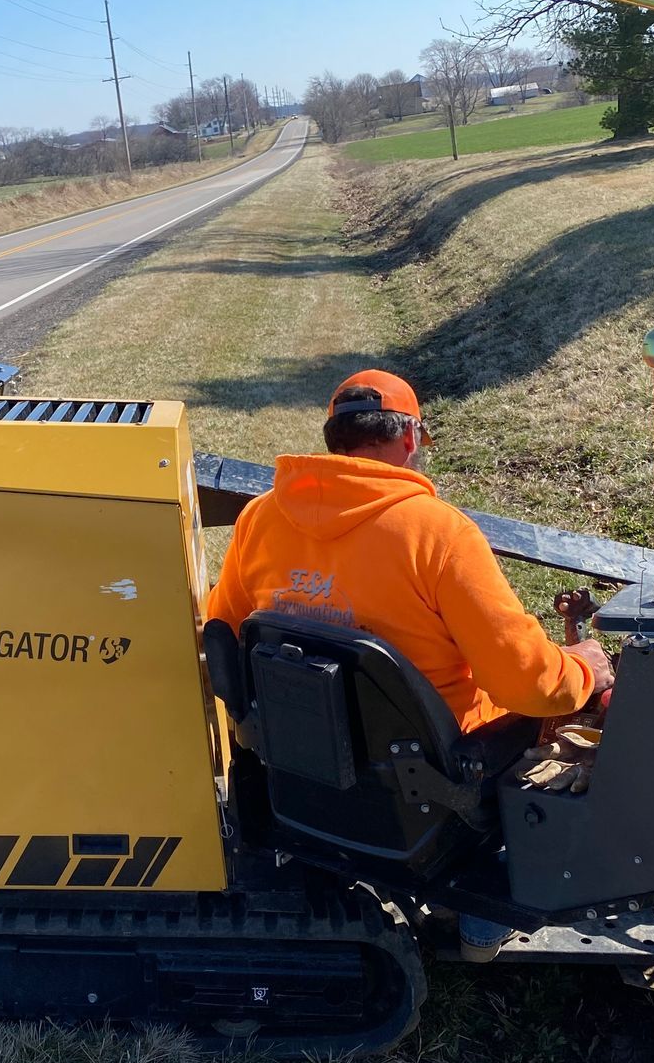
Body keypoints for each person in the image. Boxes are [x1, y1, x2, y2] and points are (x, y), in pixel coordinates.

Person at [204, 368, 615, 961]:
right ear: (410, 439)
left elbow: (225, 633)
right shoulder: (438, 535)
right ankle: (479, 911)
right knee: (542, 715)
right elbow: (527, 684)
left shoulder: (259, 521)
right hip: (434, 790)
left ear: (333, 441)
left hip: (306, 773)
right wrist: (581, 670)